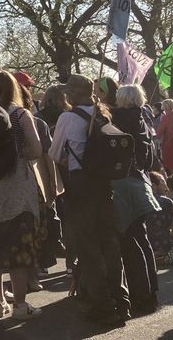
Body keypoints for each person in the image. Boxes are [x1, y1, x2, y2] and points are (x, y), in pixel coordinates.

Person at [49, 73, 129, 326]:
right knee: (110, 244)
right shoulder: (103, 114)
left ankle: (103, 307)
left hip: (80, 188)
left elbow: (54, 152)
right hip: (103, 186)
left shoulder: (68, 117)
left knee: (89, 248)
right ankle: (121, 301)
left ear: (71, 94)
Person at [0, 70, 43, 320]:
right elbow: (37, 149)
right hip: (19, 190)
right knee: (20, 249)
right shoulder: (20, 114)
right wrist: (20, 156)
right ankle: (19, 305)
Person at [109, 84, 160, 315]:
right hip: (141, 180)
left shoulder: (117, 118)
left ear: (122, 99)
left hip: (124, 183)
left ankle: (141, 294)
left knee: (129, 242)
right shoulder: (144, 119)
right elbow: (150, 158)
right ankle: (151, 290)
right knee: (142, 238)